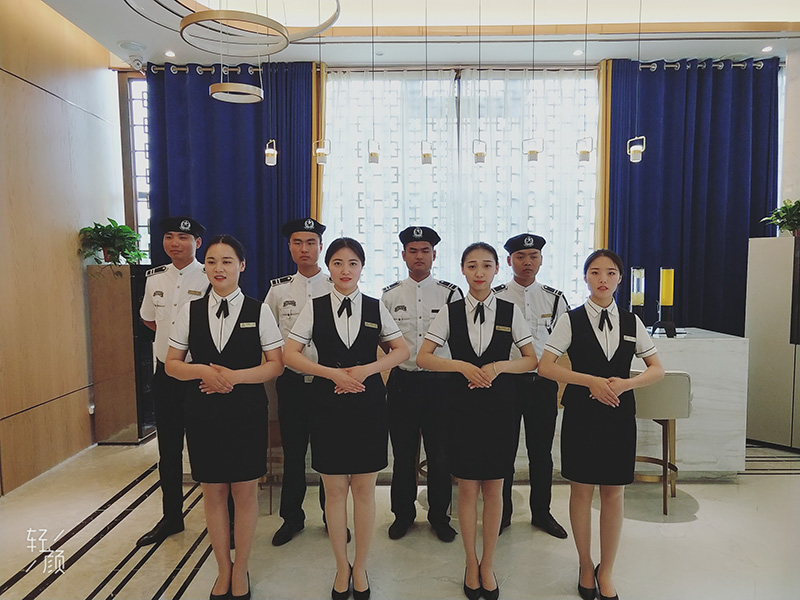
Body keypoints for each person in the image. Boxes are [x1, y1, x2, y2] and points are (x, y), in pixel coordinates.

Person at [283, 237, 409, 600]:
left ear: (362, 268)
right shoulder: (315, 307)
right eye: (338, 263)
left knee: (365, 492)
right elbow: (290, 354)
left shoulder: (375, 306)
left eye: (353, 263)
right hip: (328, 404)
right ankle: (342, 566)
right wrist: (332, 374)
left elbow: (402, 350)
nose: (345, 270)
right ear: (330, 267)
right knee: (335, 492)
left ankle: (361, 566)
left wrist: (367, 369)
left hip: (369, 405)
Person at [538, 249, 664, 600]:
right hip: (581, 414)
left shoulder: (632, 322)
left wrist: (626, 384)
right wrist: (589, 381)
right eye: (595, 272)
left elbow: (657, 369)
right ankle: (584, 564)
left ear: (620, 279)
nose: (603, 279)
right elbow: (546, 366)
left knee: (613, 492)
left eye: (610, 272)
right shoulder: (571, 320)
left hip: (619, 416)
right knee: (581, 490)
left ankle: (606, 570)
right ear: (585, 278)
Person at [165, 235, 284, 600]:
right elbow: (171, 365)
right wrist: (203, 370)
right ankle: (223, 569)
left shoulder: (259, 310)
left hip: (246, 412)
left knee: (245, 493)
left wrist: (234, 377)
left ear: (241, 266)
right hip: (202, 413)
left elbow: (275, 366)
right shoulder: (190, 311)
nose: (219, 268)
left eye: (227, 261)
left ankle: (241, 568)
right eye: (212, 261)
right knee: (213, 492)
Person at [417, 242, 537, 600]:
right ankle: (471, 562)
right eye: (472, 266)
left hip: (500, 408)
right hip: (461, 407)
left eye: (486, 265)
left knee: (495, 488)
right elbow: (424, 357)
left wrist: (499, 366)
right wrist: (460, 366)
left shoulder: (510, 310)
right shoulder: (450, 311)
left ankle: (489, 563)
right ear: (463, 270)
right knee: (467, 488)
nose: (479, 272)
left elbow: (531, 359)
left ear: (497, 269)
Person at [381, 225, 463, 543]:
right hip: (403, 383)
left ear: (434, 255)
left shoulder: (450, 294)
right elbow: (384, 339)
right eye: (413, 251)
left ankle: (439, 517)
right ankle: (403, 515)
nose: (419, 256)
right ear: (403, 255)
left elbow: (459, 338)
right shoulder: (389, 296)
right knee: (403, 455)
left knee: (440, 455)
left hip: (441, 385)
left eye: (425, 251)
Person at [137, 216, 210, 547]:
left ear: (197, 243)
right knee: (168, 450)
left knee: (207, 448)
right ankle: (171, 517)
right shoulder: (155, 279)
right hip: (166, 374)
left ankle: (222, 518)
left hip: (199, 374)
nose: (175, 243)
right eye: (169, 236)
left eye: (183, 237)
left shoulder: (209, 276)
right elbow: (150, 320)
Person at [265, 217, 337, 547]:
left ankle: (331, 517)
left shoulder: (335, 285)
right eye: (297, 243)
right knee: (293, 455)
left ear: (321, 247)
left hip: (327, 383)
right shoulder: (279, 290)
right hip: (292, 384)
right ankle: (291, 519)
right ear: (289, 247)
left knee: (328, 456)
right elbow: (267, 336)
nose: (304, 249)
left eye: (310, 243)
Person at [493, 233, 569, 539]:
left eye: (533, 256)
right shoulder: (495, 297)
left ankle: (542, 513)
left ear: (541, 260)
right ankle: (503, 513)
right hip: (506, 384)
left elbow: (564, 341)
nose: (527, 262)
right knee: (504, 452)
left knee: (541, 452)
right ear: (509, 261)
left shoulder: (554, 299)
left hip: (542, 384)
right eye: (521, 257)